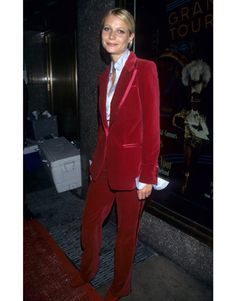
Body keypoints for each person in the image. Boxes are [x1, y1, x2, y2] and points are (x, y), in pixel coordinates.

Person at [71, 8, 160, 301]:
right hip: (105, 164)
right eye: (107, 29)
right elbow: (104, 128)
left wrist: (148, 174)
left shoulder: (144, 69)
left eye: (120, 31)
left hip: (133, 169)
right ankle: (88, 269)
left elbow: (151, 126)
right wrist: (97, 161)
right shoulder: (104, 76)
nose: (112, 36)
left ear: (131, 38)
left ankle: (121, 286)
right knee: (90, 221)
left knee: (126, 233)